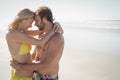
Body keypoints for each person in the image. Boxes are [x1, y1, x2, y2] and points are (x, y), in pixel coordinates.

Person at [6, 8, 62, 80]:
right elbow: (41, 42)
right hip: (21, 77)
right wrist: (53, 30)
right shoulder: (13, 34)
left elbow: (41, 30)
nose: (31, 26)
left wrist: (56, 24)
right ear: (23, 19)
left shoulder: (22, 33)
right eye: (30, 22)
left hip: (31, 77)